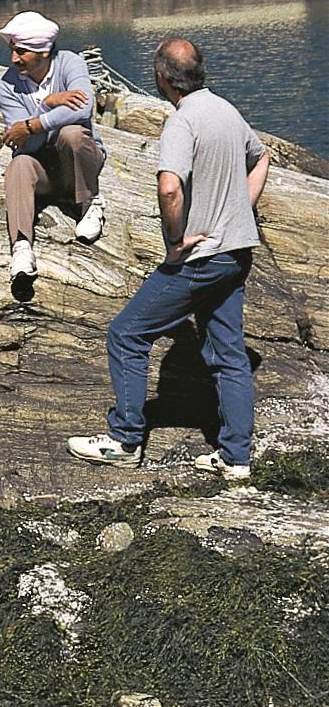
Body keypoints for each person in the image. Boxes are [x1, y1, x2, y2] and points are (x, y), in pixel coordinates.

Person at [67, 37, 269, 480]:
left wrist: (176, 242)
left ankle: (124, 440)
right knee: (230, 355)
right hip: (236, 252)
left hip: (200, 258)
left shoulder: (182, 123)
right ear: (200, 72)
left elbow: (169, 187)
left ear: (161, 77)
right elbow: (261, 157)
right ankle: (236, 458)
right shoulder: (226, 110)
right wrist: (240, 208)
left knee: (126, 334)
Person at [0, 11, 106, 286]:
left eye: (21, 51)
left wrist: (33, 122)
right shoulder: (6, 86)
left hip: (76, 164)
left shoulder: (70, 63)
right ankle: (21, 247)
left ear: (43, 51)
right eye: (12, 50)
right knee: (19, 164)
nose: (14, 58)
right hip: (41, 170)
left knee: (72, 134)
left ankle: (90, 203)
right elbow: (25, 144)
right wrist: (47, 105)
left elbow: (83, 108)